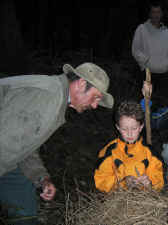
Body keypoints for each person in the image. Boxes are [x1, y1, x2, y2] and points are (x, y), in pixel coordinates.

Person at [0, 62, 114, 225]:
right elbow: (5, 141)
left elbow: (24, 145)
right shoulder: (48, 97)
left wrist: (41, 177)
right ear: (81, 84)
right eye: (95, 97)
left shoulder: (57, 98)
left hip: (7, 160)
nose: (95, 105)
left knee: (25, 211)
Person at [94, 101, 164, 193]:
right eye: (124, 129)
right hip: (117, 199)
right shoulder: (109, 151)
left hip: (145, 199)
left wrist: (150, 184)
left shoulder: (150, 152)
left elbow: (159, 180)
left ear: (141, 127)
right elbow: (101, 181)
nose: (129, 133)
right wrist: (123, 183)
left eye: (134, 128)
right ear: (118, 127)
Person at [132, 1, 168, 89]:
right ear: (150, 14)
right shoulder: (142, 29)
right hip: (147, 74)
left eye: (158, 12)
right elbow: (135, 49)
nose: (156, 15)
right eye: (153, 12)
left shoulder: (166, 32)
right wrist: (145, 61)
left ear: (162, 14)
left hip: (164, 74)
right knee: (146, 102)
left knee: (162, 102)